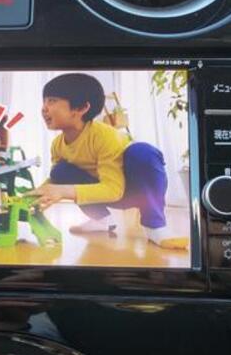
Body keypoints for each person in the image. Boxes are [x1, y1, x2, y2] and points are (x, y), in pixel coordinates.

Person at [32, 73, 173, 247]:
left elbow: (114, 190)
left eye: (52, 101)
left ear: (81, 108)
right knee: (59, 171)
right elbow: (55, 181)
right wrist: (33, 196)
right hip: (100, 191)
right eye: (44, 101)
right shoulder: (57, 144)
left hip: (132, 191)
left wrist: (62, 191)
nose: (44, 108)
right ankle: (101, 220)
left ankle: (155, 226)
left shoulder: (104, 136)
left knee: (143, 152)